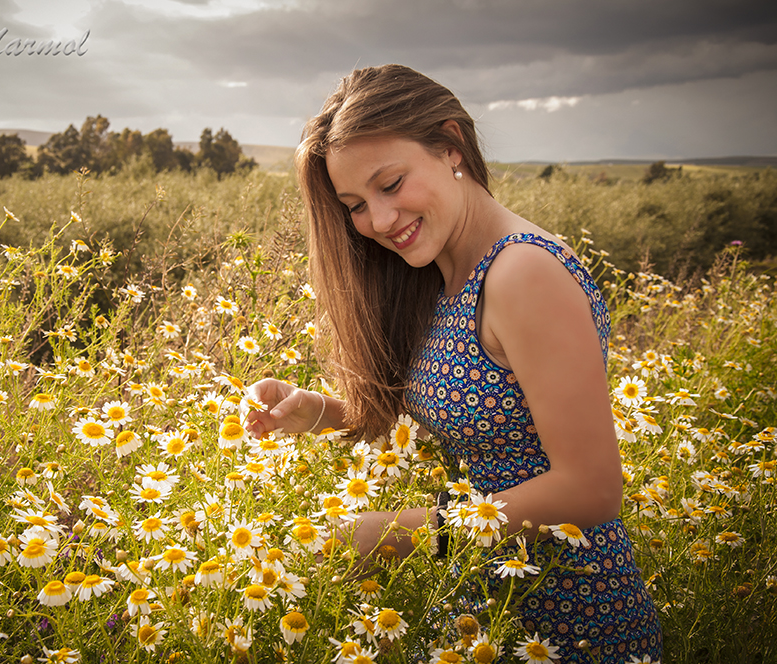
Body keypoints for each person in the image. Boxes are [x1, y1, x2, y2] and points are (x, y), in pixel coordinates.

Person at [245, 64, 662, 661]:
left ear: (451, 146)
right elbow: (470, 416)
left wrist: (405, 532)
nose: (379, 222)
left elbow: (592, 488)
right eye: (356, 205)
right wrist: (323, 412)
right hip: (482, 609)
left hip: (568, 618)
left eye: (390, 184)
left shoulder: (523, 272)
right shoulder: (441, 274)